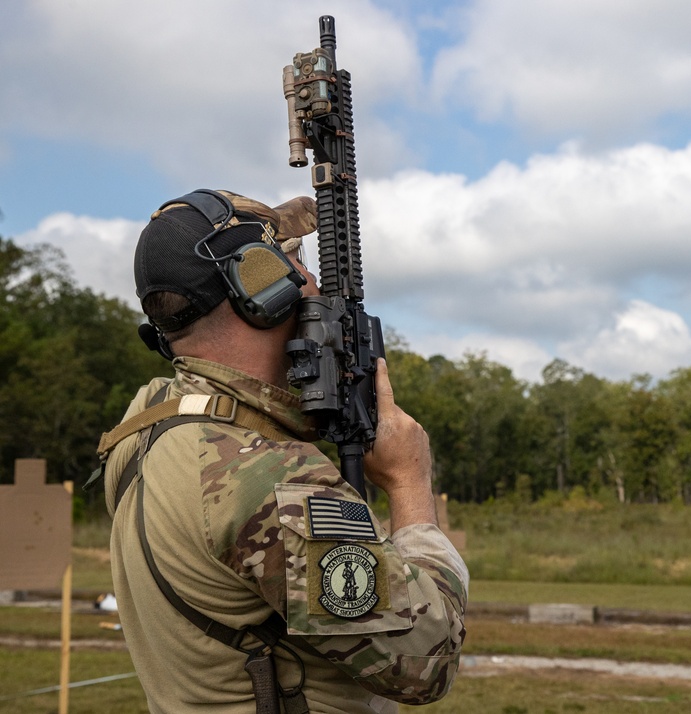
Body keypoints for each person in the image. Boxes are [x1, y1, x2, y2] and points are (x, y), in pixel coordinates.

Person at [98, 189, 468, 713]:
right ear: (262, 288)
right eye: (295, 265)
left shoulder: (149, 420)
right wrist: (409, 483)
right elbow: (426, 662)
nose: (311, 285)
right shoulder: (268, 477)